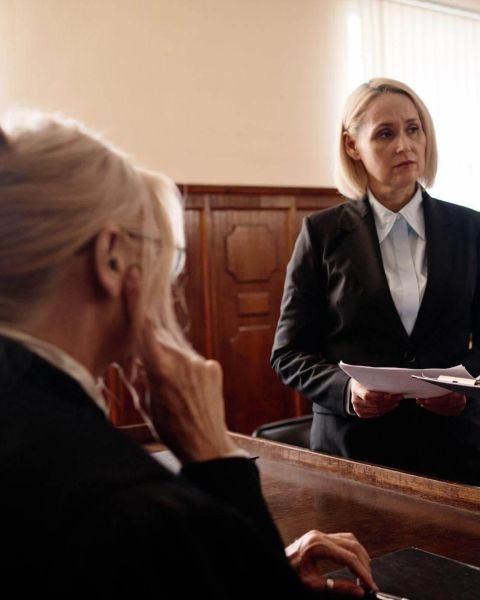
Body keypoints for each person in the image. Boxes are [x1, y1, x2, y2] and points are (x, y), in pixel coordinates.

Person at [0, 111, 378, 597]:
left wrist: (251, 565)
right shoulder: (125, 504)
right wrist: (215, 457)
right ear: (112, 258)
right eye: (161, 252)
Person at [271, 78, 480, 488]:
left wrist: (466, 383)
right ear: (353, 145)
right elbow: (288, 353)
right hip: (355, 457)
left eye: (413, 129)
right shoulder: (321, 233)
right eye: (385, 133)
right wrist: (347, 390)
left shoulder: (467, 227)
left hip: (453, 453)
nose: (404, 145)